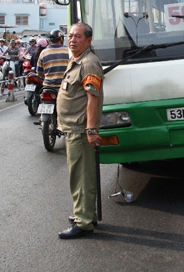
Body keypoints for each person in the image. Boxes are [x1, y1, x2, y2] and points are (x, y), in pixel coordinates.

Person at [57, 23, 104, 239]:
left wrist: (91, 129)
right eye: (70, 36)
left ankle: (83, 222)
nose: (72, 39)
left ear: (88, 40)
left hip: (80, 129)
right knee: (81, 174)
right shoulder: (76, 60)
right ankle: (86, 213)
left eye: (78, 36)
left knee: (81, 176)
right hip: (73, 128)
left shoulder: (88, 63)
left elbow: (92, 98)